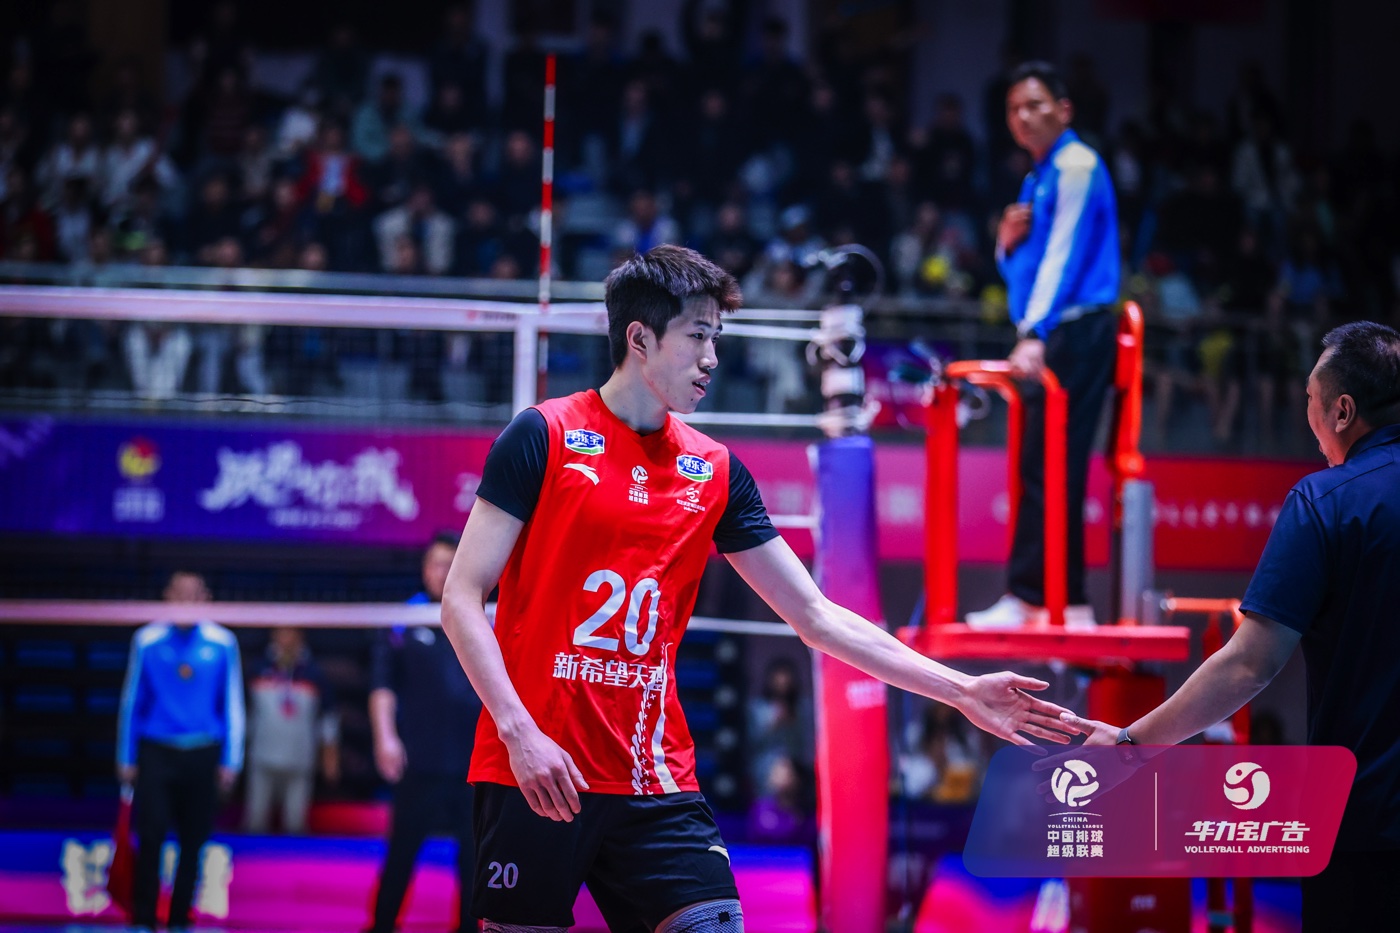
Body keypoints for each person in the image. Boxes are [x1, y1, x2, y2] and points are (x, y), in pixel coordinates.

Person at [438, 245, 1082, 933]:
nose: (712, 358)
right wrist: (519, 732)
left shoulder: (713, 470)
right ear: (639, 338)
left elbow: (817, 616)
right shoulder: (544, 435)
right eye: (698, 336)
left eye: (717, 337)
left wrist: (962, 691)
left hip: (654, 777)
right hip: (536, 768)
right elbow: (460, 598)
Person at [1063, 321, 1400, 931]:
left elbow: (1249, 665)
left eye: (1309, 399)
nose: (1308, 418)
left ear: (1343, 411)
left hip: (1368, 829)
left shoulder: (1326, 501)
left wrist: (1133, 745)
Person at [967, 61, 1121, 630]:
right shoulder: (1038, 178)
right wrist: (1005, 247)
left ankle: (1048, 599)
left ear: (1064, 110)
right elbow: (1029, 272)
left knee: (1056, 466)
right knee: (1043, 467)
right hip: (1054, 330)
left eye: (1034, 104)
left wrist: (1034, 333)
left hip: (1074, 333)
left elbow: (1063, 258)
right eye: (1013, 109)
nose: (1023, 117)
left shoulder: (1076, 165)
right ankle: (1050, 599)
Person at [116, 571, 245, 932]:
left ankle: (179, 920)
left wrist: (231, 759)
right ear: (167, 596)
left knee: (194, 840)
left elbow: (231, 703)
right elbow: (132, 699)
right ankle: (143, 918)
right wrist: (126, 756)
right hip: (156, 751)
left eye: (194, 594)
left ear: (205, 598)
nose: (186, 600)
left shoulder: (222, 642)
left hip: (202, 752)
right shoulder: (147, 640)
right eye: (179, 593)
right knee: (151, 835)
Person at [367, 532, 482, 933]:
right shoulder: (404, 619)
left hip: (473, 764)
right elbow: (382, 685)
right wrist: (385, 738)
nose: (442, 572)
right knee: (401, 852)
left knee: (474, 858)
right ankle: (382, 925)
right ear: (424, 569)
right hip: (419, 760)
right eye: (436, 564)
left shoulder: (483, 615)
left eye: (451, 564)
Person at [244, 626, 339, 834]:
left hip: (300, 758)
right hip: (261, 756)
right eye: (281, 631)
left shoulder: (314, 672)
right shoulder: (257, 669)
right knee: (255, 820)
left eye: (291, 631)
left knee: (295, 823)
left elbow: (328, 718)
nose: (285, 638)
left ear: (300, 635)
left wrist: (329, 753)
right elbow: (245, 715)